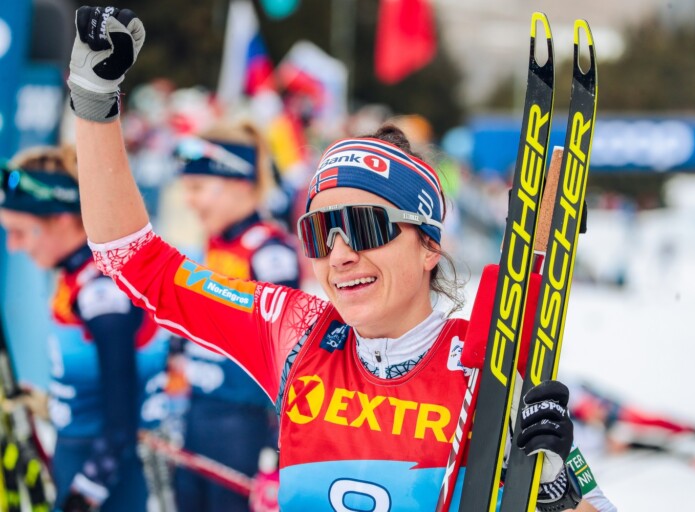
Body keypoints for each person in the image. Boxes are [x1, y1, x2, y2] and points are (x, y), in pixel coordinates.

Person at [66, 7, 615, 511]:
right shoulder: (294, 333)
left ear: (429, 246)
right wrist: (94, 101)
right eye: (319, 232)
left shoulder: (489, 370)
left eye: (366, 226)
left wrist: (555, 492)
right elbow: (134, 259)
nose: (340, 254)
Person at [0, 145, 169, 512]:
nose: (13, 246)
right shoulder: (75, 277)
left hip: (107, 474)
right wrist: (55, 405)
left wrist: (85, 492)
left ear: (63, 220)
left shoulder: (101, 292)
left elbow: (121, 423)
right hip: (78, 454)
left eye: (21, 232)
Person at [171, 120, 300, 511]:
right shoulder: (212, 245)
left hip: (241, 426)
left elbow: (287, 357)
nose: (189, 201)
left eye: (198, 188)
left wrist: (278, 449)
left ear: (241, 185)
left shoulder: (269, 253)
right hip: (197, 414)